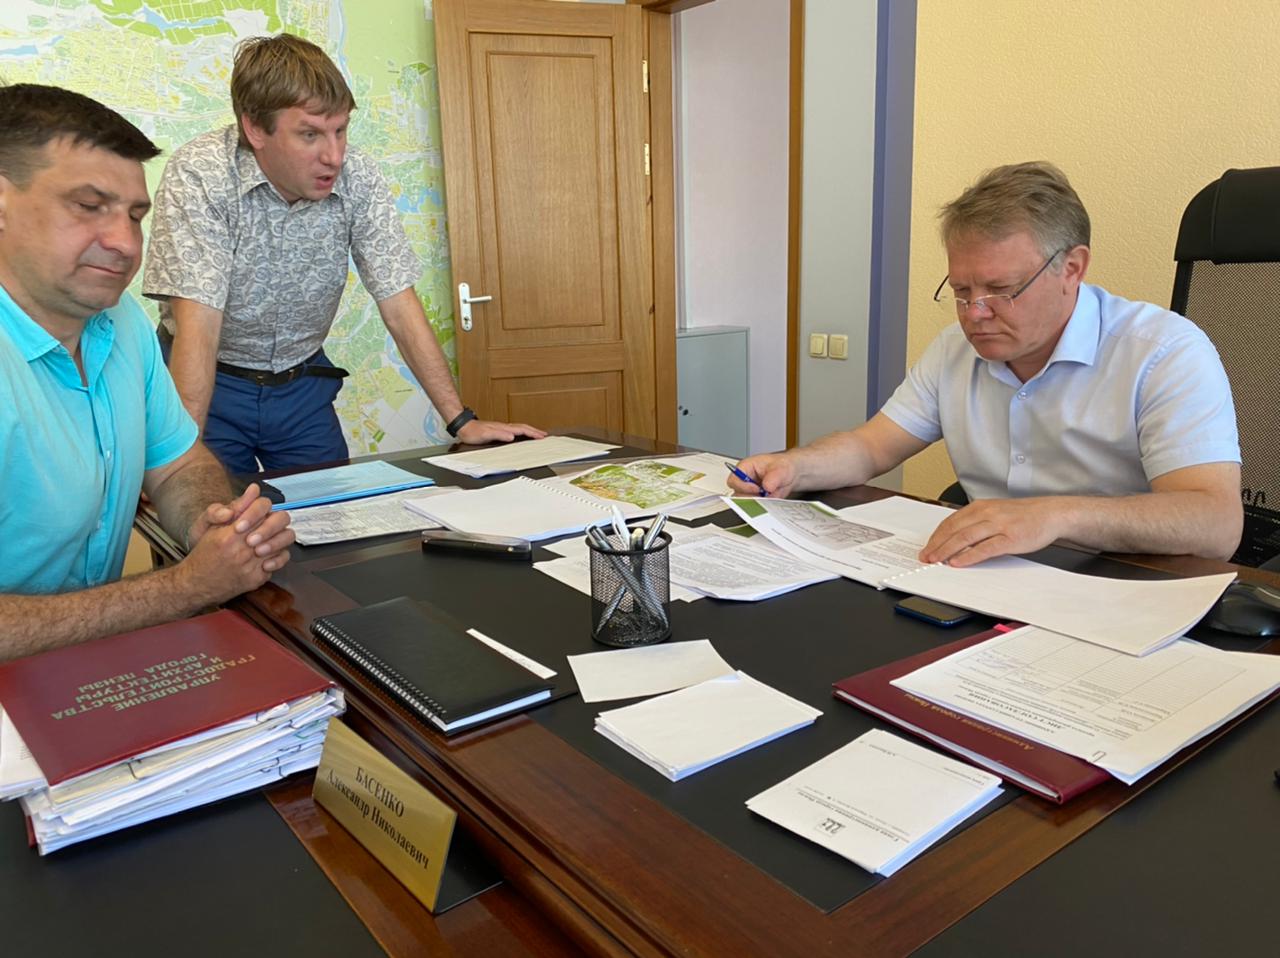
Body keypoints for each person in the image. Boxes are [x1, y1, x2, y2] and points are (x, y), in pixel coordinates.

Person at [730, 162, 1243, 566]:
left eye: (1001, 290)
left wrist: (1055, 516)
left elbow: (1216, 523)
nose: (975, 313)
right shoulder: (955, 348)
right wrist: (795, 466)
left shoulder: (1163, 352)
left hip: (1121, 578)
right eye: (961, 290)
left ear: (1072, 268)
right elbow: (871, 447)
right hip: (988, 575)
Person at [142, 33, 543, 474]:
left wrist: (461, 420)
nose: (334, 156)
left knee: (334, 511)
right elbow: (198, 327)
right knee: (208, 508)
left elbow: (398, 302)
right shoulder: (201, 174)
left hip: (302, 388)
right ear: (255, 128)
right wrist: (178, 470)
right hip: (213, 385)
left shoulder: (358, 176)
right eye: (310, 134)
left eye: (341, 130)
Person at [0, 83, 294, 661]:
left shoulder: (124, 322)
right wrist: (185, 588)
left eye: (135, 215)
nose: (125, 243)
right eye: (89, 207)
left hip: (85, 665)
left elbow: (179, 463)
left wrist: (210, 523)